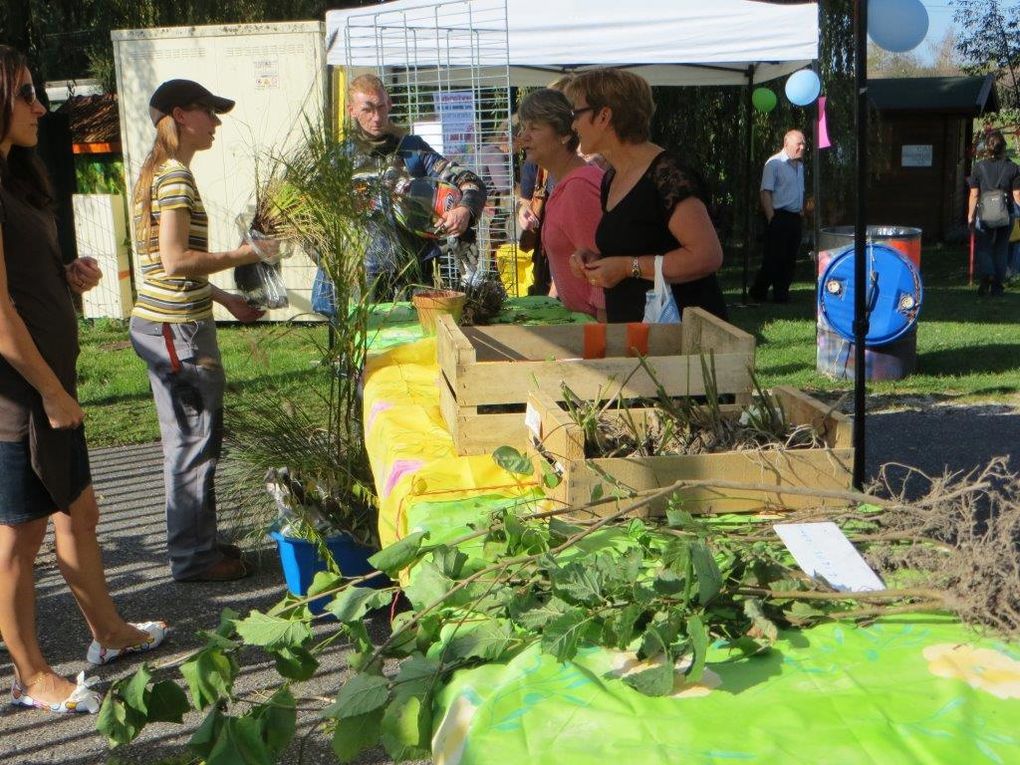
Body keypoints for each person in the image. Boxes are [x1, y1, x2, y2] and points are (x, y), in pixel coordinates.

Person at [0, 45, 166, 715]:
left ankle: (109, 633)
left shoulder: (18, 178)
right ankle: (31, 673)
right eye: (24, 95)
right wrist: (49, 391)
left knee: (83, 510)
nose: (41, 106)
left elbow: (21, 287)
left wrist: (64, 277)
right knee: (18, 538)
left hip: (49, 383)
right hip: (17, 395)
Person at [129, 79, 271, 582]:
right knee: (193, 442)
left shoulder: (158, 172)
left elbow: (160, 264)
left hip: (170, 321)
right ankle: (194, 559)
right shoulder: (173, 178)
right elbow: (175, 260)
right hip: (175, 330)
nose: (215, 122)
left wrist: (226, 297)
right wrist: (248, 254)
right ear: (181, 115)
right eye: (209, 111)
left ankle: (198, 541)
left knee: (189, 440)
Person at [563, 68, 727, 323]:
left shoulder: (667, 175)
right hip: (637, 335)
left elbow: (707, 255)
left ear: (604, 116)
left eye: (576, 114)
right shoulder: (611, 177)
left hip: (681, 339)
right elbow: (638, 243)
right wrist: (597, 261)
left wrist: (628, 267)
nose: (573, 124)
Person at [312, 74, 486, 311]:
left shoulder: (412, 149)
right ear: (351, 110)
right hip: (363, 283)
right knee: (371, 346)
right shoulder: (338, 161)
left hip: (414, 277)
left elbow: (469, 181)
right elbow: (309, 220)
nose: (377, 117)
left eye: (382, 107)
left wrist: (464, 210)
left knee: (419, 344)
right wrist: (335, 263)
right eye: (368, 109)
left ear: (390, 104)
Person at [518, 88, 605, 319]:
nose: (524, 136)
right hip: (579, 321)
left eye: (534, 128)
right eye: (524, 128)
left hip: (594, 329)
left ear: (564, 134)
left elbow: (601, 267)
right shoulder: (565, 183)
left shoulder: (579, 187)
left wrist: (605, 339)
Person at [749, 129, 806, 304]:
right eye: (799, 144)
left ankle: (781, 293)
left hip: (795, 217)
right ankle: (758, 291)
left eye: (804, 144)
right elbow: (766, 192)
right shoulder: (774, 164)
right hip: (779, 216)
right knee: (774, 257)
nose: (802, 147)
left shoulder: (800, 166)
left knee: (789, 258)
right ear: (786, 143)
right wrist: (771, 218)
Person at [967, 130, 1020, 297]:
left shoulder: (978, 167)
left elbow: (974, 194)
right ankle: (997, 285)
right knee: (1002, 249)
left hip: (984, 214)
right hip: (1006, 213)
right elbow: (1017, 194)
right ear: (1004, 146)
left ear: (987, 148)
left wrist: (970, 215)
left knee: (984, 247)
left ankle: (987, 276)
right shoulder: (1013, 167)